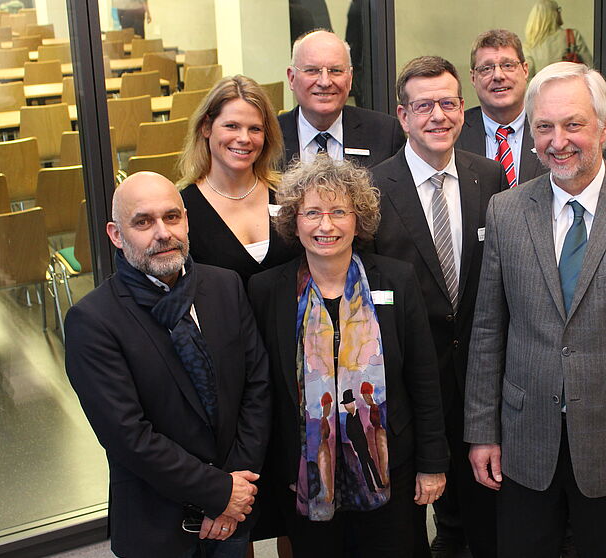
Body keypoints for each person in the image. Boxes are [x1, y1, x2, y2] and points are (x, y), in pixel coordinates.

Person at [465, 62, 606, 557]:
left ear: (604, 128)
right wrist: (482, 431)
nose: (557, 140)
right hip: (525, 441)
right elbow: (488, 331)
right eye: (544, 126)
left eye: (573, 124)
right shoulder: (506, 210)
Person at [247, 156, 450, 556]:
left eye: (340, 211)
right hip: (306, 474)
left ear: (359, 219)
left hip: (390, 468)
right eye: (313, 213)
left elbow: (424, 380)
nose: (326, 225)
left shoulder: (397, 279)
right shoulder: (266, 290)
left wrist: (432, 463)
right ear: (294, 220)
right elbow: (262, 392)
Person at [64, 172, 271, 558]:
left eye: (172, 217)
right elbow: (129, 437)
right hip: (158, 526)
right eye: (143, 222)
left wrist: (236, 488)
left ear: (187, 221)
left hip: (236, 508)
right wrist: (218, 491)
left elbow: (257, 387)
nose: (162, 233)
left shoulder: (225, 286)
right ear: (114, 234)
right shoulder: (93, 321)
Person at [369, 56, 508, 558]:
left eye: (449, 103)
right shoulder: (372, 189)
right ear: (403, 116)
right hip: (408, 384)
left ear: (463, 109)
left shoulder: (489, 177)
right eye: (423, 105)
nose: (438, 116)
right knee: (409, 519)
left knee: (485, 512)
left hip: (479, 377)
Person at [178, 75, 301, 286]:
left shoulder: (289, 195)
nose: (244, 138)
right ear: (206, 127)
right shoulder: (182, 208)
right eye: (232, 126)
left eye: (255, 129)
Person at [279, 29, 405, 168]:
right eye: (312, 71)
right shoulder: (269, 137)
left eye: (336, 71)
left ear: (350, 78)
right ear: (292, 78)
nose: (325, 82)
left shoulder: (385, 134)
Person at [457, 29, 549, 189]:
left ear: (525, 70)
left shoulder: (550, 128)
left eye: (508, 65)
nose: (498, 75)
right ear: (473, 77)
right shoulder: (455, 133)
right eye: (486, 68)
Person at [524, 0, 593, 78]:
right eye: (558, 10)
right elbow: (590, 67)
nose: (560, 13)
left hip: (544, 88)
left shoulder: (529, 45)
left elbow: (528, 78)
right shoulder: (572, 36)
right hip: (571, 87)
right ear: (554, 14)